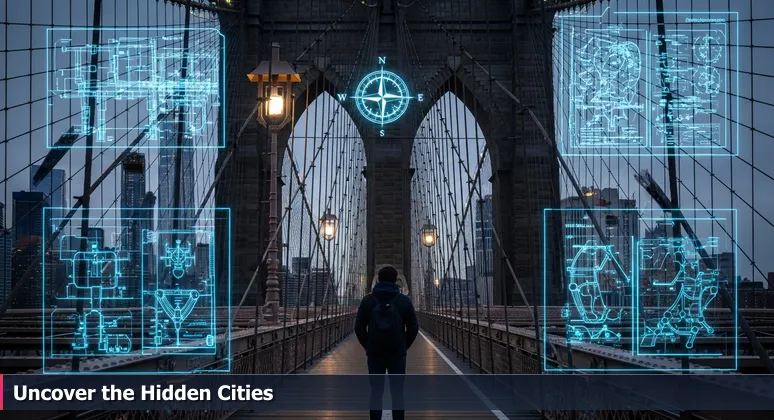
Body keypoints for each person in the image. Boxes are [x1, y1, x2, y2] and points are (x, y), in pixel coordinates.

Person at [355, 265, 419, 420]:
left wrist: (369, 346)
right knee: (397, 393)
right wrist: (403, 346)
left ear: (378, 280)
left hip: (375, 354)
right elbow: (413, 327)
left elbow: (359, 327)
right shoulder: (404, 301)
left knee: (376, 392)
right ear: (396, 280)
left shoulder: (368, 301)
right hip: (397, 354)